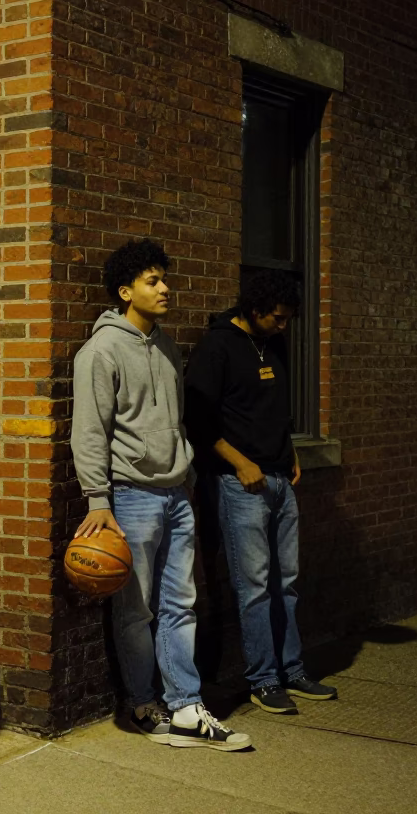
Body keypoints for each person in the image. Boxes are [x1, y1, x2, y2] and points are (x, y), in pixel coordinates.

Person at [70, 238, 252, 752]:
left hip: (175, 493)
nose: (165, 288)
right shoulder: (101, 351)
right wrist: (98, 502)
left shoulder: (167, 346)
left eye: (163, 279)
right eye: (153, 281)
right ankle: (143, 704)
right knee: (135, 611)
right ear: (126, 291)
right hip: (129, 497)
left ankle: (187, 707)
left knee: (181, 604)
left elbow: (176, 423)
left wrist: (187, 480)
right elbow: (89, 431)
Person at [184, 269, 337, 714]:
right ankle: (264, 679)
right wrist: (241, 462)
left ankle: (292, 669)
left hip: (278, 479)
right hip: (238, 482)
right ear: (254, 311)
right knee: (253, 587)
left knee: (285, 583)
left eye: (289, 318)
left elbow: (277, 407)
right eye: (277, 318)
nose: (284, 325)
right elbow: (198, 422)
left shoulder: (274, 342)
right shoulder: (216, 347)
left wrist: (288, 450)